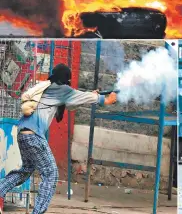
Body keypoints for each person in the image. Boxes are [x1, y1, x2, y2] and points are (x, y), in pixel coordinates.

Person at [0, 64, 117, 214]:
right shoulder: (62, 89)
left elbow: (71, 102)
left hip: (23, 134)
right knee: (51, 174)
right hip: (34, 136)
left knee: (26, 170)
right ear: (66, 79)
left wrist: (90, 94)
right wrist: (105, 100)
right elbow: (76, 96)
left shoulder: (48, 88)